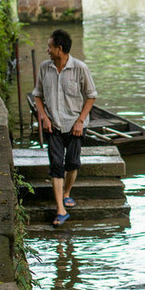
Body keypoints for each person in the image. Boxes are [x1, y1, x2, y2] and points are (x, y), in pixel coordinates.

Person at [33, 30, 98, 227]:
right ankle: (60, 209)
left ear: (59, 49)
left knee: (72, 163)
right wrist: (43, 117)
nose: (47, 50)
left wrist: (80, 121)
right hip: (53, 125)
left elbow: (91, 96)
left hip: (75, 125)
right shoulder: (45, 68)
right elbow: (37, 95)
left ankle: (67, 192)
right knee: (55, 166)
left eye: (49, 46)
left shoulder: (80, 68)